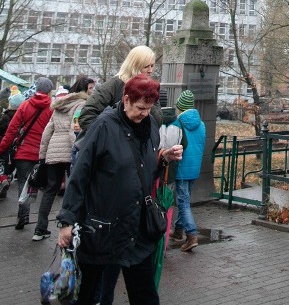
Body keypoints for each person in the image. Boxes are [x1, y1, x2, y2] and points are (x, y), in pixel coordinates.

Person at [56, 75, 183, 305]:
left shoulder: (150, 126)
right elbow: (79, 175)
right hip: (101, 229)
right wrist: (66, 220)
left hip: (136, 229)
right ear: (125, 100)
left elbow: (143, 173)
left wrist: (163, 159)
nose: (145, 113)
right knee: (89, 293)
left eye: (149, 108)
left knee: (145, 295)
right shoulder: (103, 127)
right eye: (140, 107)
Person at [32, 86, 88, 241]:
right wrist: (77, 151)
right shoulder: (81, 105)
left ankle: (39, 229)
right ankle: (71, 225)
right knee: (73, 189)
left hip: (53, 151)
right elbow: (73, 129)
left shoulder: (57, 107)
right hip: (69, 151)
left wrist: (43, 156)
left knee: (50, 190)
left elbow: (47, 132)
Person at [0, 77, 53, 229]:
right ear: (49, 92)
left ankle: (23, 214)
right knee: (36, 183)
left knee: (23, 182)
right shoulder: (52, 108)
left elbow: (11, 130)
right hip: (41, 153)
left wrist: (2, 148)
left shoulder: (25, 105)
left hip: (23, 152)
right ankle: (36, 220)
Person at [78, 46, 160, 134]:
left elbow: (157, 121)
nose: (150, 70)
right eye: (146, 66)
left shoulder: (151, 88)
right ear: (134, 65)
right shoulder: (114, 85)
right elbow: (87, 115)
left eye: (152, 66)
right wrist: (107, 138)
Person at [170, 90, 206, 253]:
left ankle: (191, 235)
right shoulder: (202, 124)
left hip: (182, 168)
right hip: (194, 168)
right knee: (185, 199)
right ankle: (178, 231)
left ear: (180, 107)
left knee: (183, 202)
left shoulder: (178, 124)